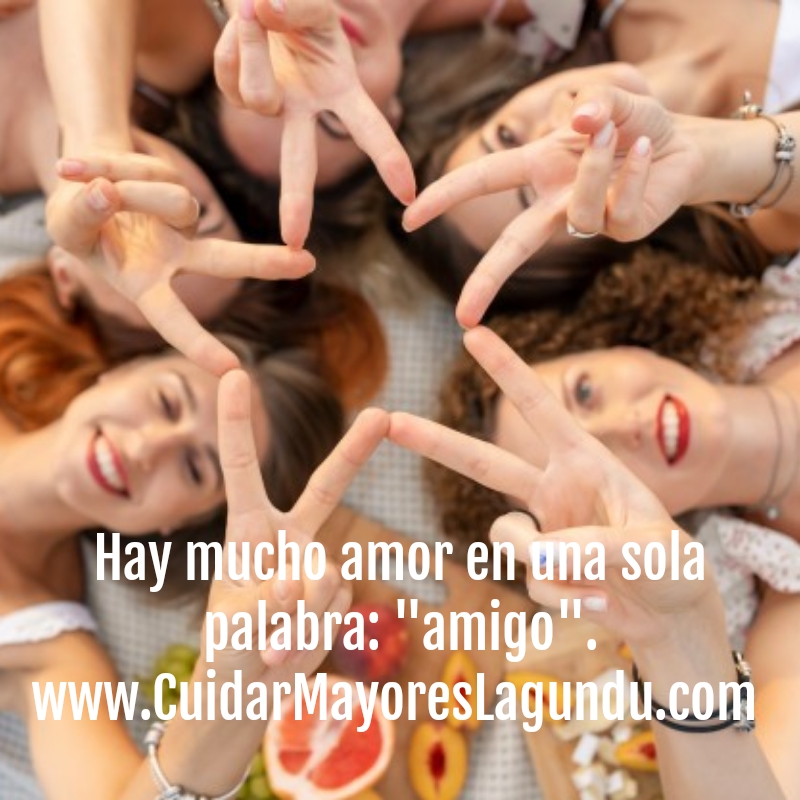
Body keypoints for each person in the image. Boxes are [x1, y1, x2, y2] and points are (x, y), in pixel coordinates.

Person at [388, 325, 800, 800]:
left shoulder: (770, 298)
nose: (625, 426)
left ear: (614, 342)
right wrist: (675, 636)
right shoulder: (782, 608)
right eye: (601, 462)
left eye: (583, 393)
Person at [4, 367, 389, 800]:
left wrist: (223, 699)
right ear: (116, 373)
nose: (145, 447)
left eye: (193, 469)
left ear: (177, 523)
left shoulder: (52, 654)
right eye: (167, 402)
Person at [402, 84, 800, 327]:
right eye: (539, 192)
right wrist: (711, 155)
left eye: (506, 135)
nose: (553, 135)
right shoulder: (766, 214)